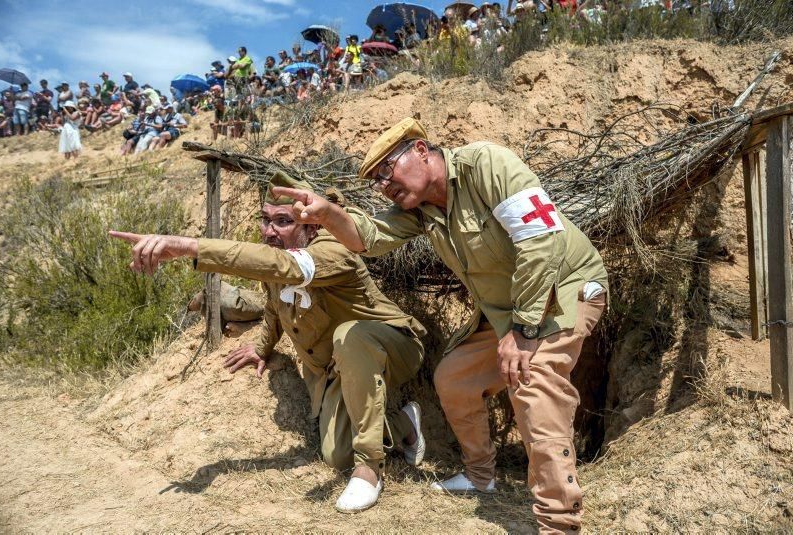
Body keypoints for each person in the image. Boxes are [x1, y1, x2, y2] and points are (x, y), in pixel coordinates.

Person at [273, 117, 609, 533]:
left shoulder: (486, 164)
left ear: (420, 150)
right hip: (508, 313)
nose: (383, 184)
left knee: (534, 380)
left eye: (386, 169)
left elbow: (541, 241)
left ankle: (559, 521)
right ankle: (481, 477)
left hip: (564, 291)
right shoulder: (420, 209)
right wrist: (328, 215)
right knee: (454, 377)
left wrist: (522, 331)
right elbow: (369, 238)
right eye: (376, 180)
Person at [108, 171, 428, 514]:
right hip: (335, 367)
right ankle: (405, 424)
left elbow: (288, 268)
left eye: (282, 221)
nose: (269, 231)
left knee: (348, 336)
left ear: (312, 226)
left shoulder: (335, 248)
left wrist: (189, 247)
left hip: (390, 346)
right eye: (265, 220)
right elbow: (276, 308)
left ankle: (370, 471)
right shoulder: (279, 258)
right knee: (336, 456)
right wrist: (262, 348)